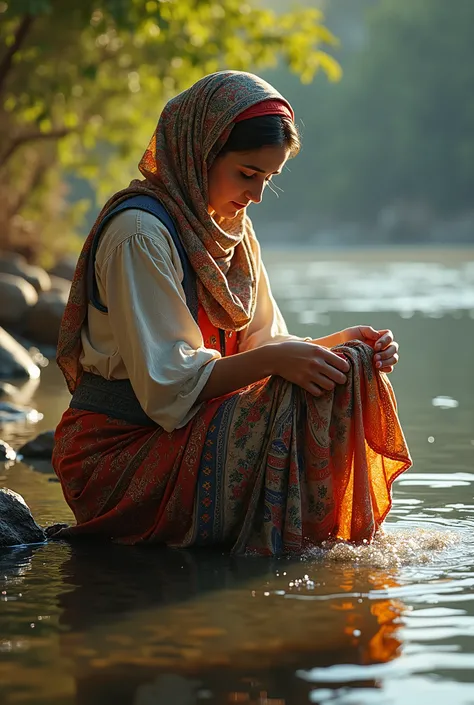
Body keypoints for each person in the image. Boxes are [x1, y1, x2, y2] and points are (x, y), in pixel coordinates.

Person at [51, 70, 411, 555]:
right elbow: (170, 386)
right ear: (200, 153)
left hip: (186, 426)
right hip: (121, 450)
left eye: (268, 179)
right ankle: (297, 552)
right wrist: (279, 362)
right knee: (294, 394)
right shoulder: (139, 235)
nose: (257, 195)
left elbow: (261, 347)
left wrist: (339, 346)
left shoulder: (231, 233)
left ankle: (325, 546)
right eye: (247, 174)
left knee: (346, 374)